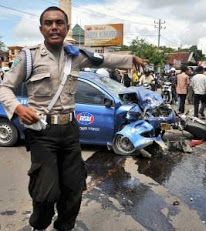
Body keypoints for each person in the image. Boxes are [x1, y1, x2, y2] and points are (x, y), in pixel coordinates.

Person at [0, 6, 144, 231]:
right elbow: (5, 87)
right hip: (42, 133)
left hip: (70, 131)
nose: (54, 27)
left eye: (59, 22)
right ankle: (38, 225)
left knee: (74, 188)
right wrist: (18, 108)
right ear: (41, 28)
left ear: (67, 27)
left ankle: (64, 226)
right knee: (46, 192)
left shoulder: (75, 56)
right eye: (49, 23)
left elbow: (104, 58)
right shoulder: (28, 57)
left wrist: (131, 58)